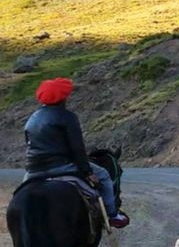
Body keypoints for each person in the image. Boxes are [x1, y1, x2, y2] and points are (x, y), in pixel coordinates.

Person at [23, 78, 129, 228]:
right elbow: (77, 148)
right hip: (62, 166)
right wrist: (87, 172)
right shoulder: (67, 117)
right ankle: (113, 215)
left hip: (33, 171)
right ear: (63, 98)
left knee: (20, 194)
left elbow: (29, 145)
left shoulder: (31, 119)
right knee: (104, 176)